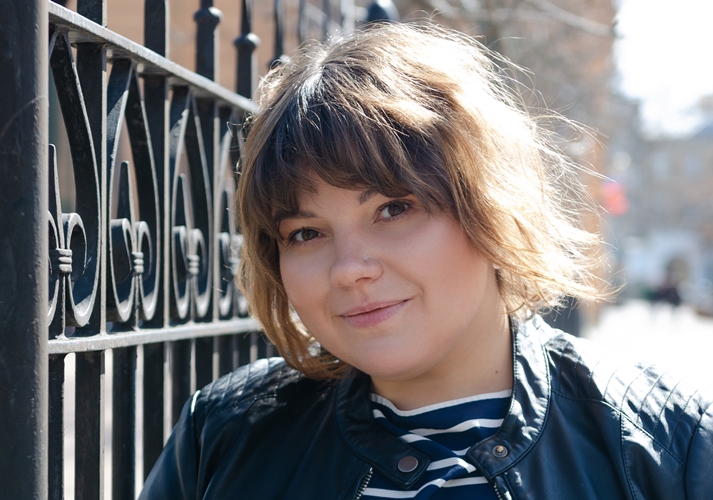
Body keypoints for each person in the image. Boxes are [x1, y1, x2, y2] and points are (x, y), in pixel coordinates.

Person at [139, 23, 713, 499]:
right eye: (306, 233)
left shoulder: (671, 446)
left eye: (393, 209)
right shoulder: (224, 433)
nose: (349, 268)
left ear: (488, 203)